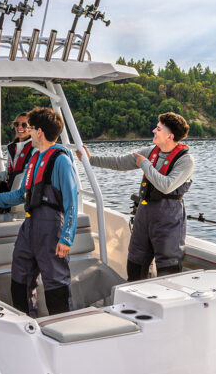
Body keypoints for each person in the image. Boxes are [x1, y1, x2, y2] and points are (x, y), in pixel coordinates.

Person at [0, 107, 78, 317]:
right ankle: (26, 323)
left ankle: (62, 327)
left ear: (40, 132)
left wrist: (67, 238)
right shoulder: (34, 158)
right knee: (20, 277)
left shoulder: (61, 161)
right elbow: (20, 195)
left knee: (56, 282)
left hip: (51, 227)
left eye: (31, 128)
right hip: (30, 226)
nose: (28, 132)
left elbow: (72, 202)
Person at [78, 112, 193, 280]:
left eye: (158, 128)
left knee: (168, 268)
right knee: (135, 263)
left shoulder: (185, 161)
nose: (154, 130)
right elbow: (121, 162)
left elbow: (166, 186)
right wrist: (91, 159)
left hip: (169, 219)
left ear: (169, 136)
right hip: (144, 214)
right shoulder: (150, 151)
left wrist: (144, 164)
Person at [0, 111, 34, 216]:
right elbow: (9, 173)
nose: (19, 127)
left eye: (24, 125)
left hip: (22, 193)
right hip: (10, 188)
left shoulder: (35, 148)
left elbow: (27, 176)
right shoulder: (11, 147)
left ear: (31, 127)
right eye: (17, 124)